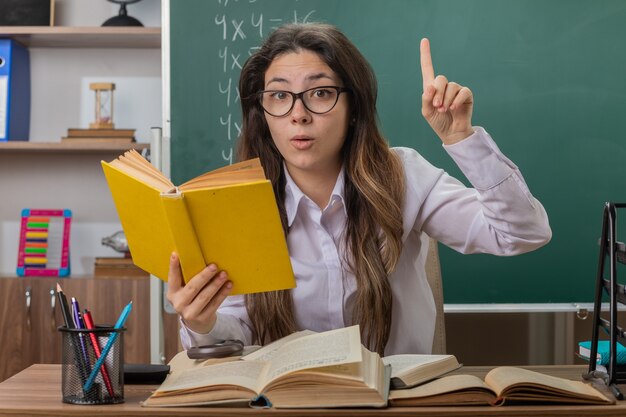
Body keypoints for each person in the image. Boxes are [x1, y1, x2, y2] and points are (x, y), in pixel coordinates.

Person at [167, 23, 551, 356]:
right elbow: (236, 336)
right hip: (286, 403)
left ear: (354, 108)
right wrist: (203, 323)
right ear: (262, 114)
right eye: (280, 96)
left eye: (320, 93)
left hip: (394, 401)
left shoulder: (404, 175)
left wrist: (461, 139)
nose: (298, 114)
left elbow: (521, 233)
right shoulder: (236, 204)